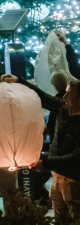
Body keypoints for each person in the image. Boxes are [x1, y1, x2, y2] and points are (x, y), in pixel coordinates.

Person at [24, 74, 80, 216]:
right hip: (58, 177)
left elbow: (76, 156)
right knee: (60, 222)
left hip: (74, 181)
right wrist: (18, 81)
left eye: (69, 94)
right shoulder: (63, 108)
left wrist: (45, 163)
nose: (64, 96)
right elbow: (42, 97)